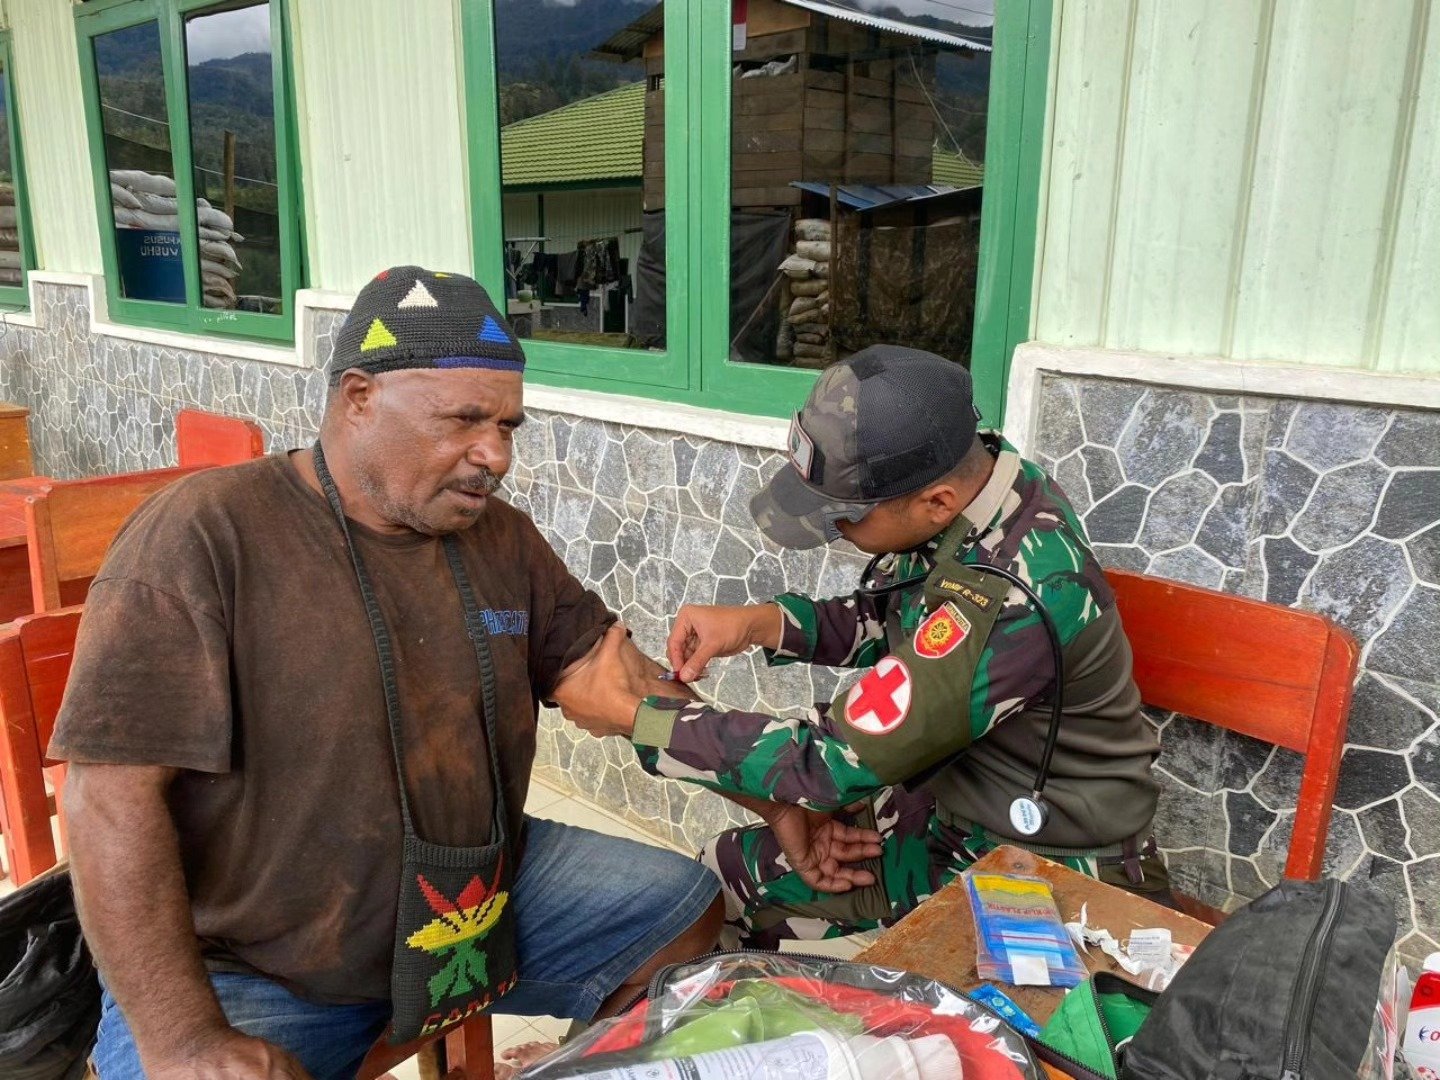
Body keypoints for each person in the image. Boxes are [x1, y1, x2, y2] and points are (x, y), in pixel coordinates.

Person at [50, 267, 729, 1080]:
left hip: (479, 899)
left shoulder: (499, 538)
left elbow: (607, 676)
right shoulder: (204, 535)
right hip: (267, 964)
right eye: (465, 421)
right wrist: (186, 1040)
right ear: (359, 397)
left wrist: (772, 792)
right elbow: (106, 800)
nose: (496, 455)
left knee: (682, 913)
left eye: (509, 425)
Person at [561, 345, 1168, 950]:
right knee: (709, 883)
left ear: (936, 502)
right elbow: (896, 613)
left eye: (844, 518)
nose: (836, 533)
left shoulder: (1013, 592)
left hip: (1048, 862)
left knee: (923, 1026)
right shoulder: (982, 486)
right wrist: (765, 623)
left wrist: (638, 717)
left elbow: (829, 763)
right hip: (954, 810)